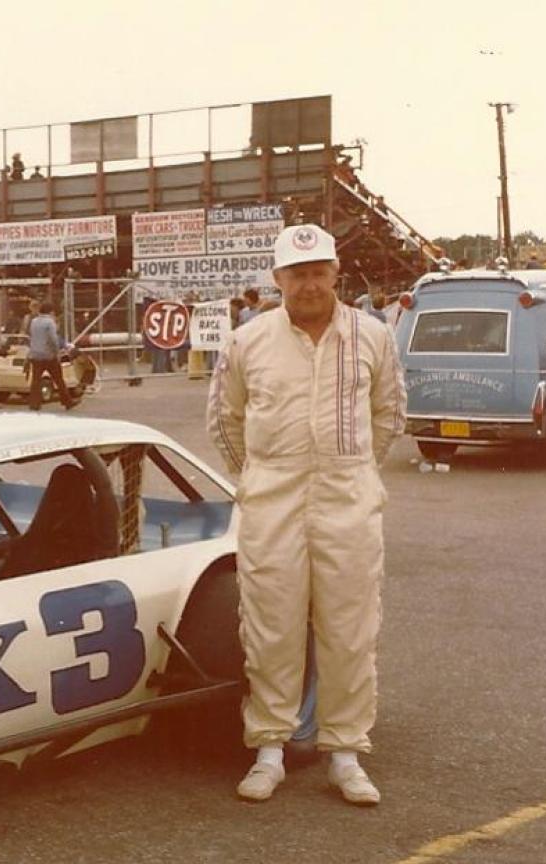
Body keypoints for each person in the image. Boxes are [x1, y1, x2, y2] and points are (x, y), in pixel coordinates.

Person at [206, 223, 406, 807]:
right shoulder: (248, 341)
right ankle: (269, 748)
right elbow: (225, 419)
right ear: (278, 279)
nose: (310, 284)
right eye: (297, 274)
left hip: (347, 498)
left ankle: (345, 753)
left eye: (319, 272)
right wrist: (262, 476)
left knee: (350, 626)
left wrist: (353, 469)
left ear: (336, 274)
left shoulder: (372, 336)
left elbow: (389, 413)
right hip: (273, 498)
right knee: (271, 623)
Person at [27, 300, 78, 411]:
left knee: (36, 380)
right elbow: (53, 339)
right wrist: (57, 352)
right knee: (58, 379)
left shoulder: (34, 321)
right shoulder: (50, 322)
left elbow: (32, 336)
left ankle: (34, 404)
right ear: (51, 311)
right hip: (48, 355)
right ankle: (67, 401)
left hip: (35, 354)